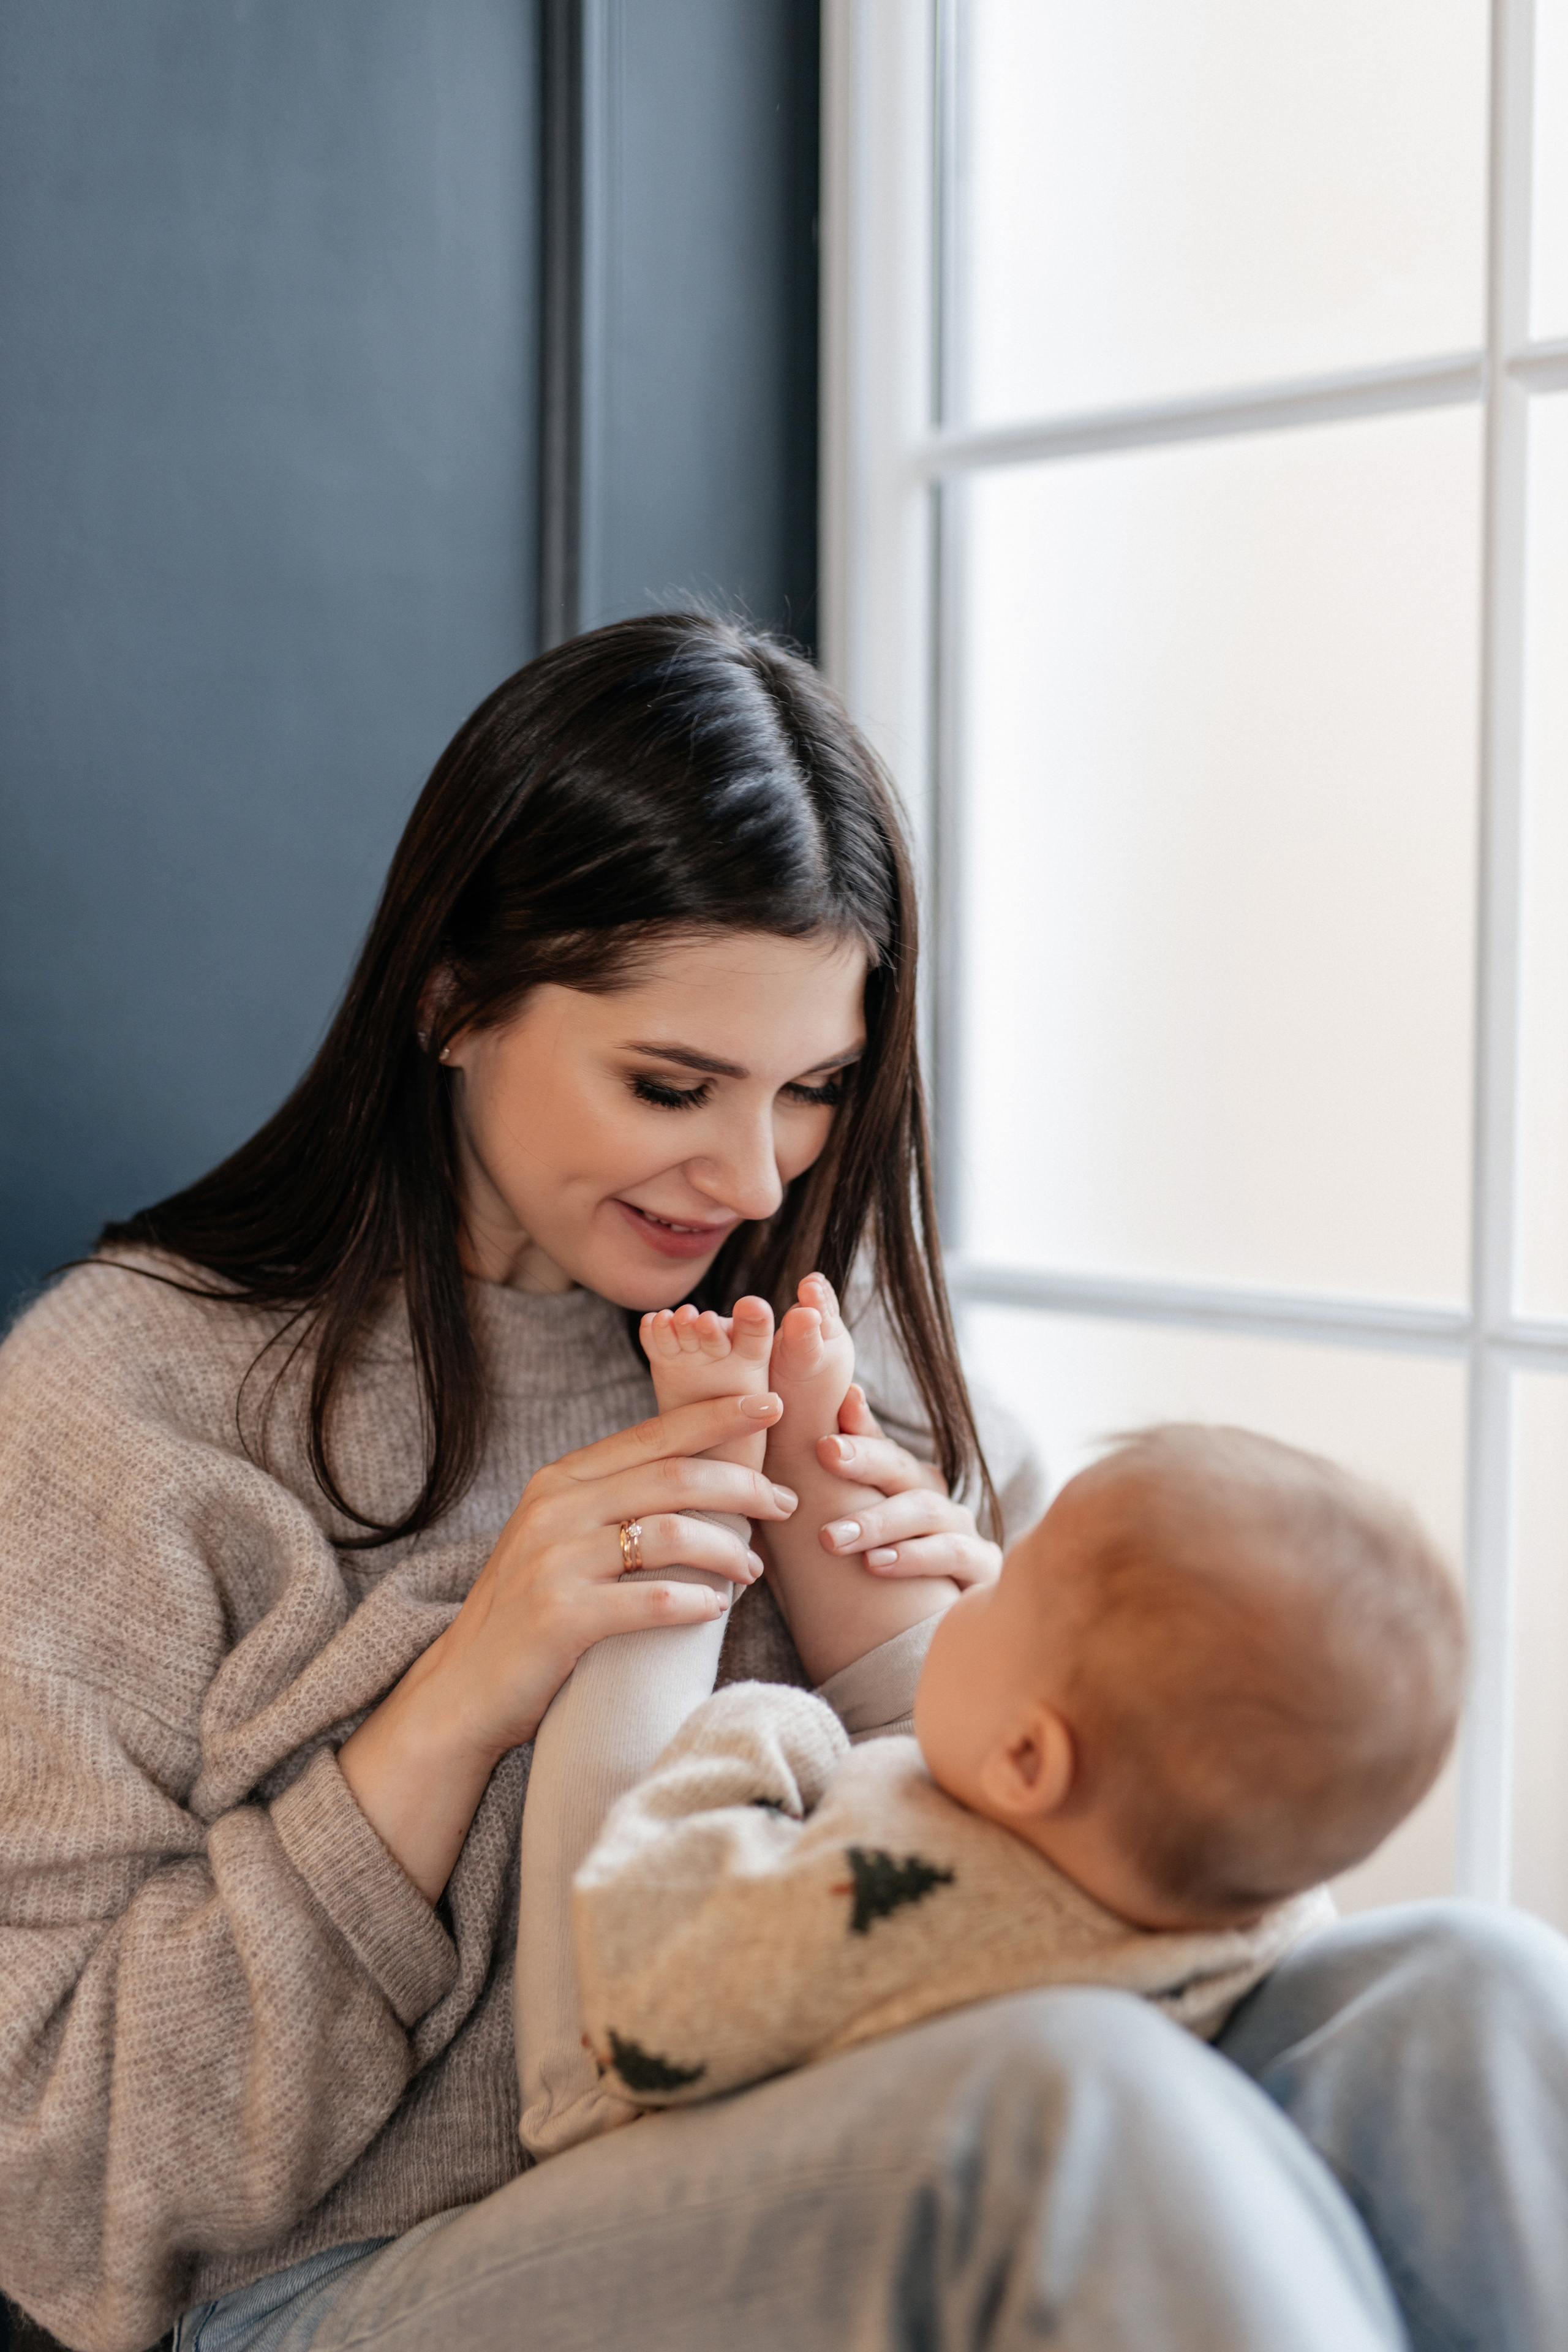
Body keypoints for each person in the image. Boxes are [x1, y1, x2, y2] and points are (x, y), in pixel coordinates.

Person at [0, 613, 1562, 2352]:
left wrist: (1008, 1673)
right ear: (450, 1000)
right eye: (672, 1084)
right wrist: (457, 1699)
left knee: (1478, 1994)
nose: (751, 1175)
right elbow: (58, 2191)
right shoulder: (129, 1400)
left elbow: (1195, 1881)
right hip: (365, 2284)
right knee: (1059, 2110)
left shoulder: (845, 1325)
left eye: (813, 1087)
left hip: (895, 2137)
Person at [570, 1425, 1464, 2108]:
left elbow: (645, 1997)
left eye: (1004, 1582)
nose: (975, 1577)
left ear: (1028, 1760)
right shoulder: (1269, 1912)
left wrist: (757, 1730)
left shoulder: (909, 1902)